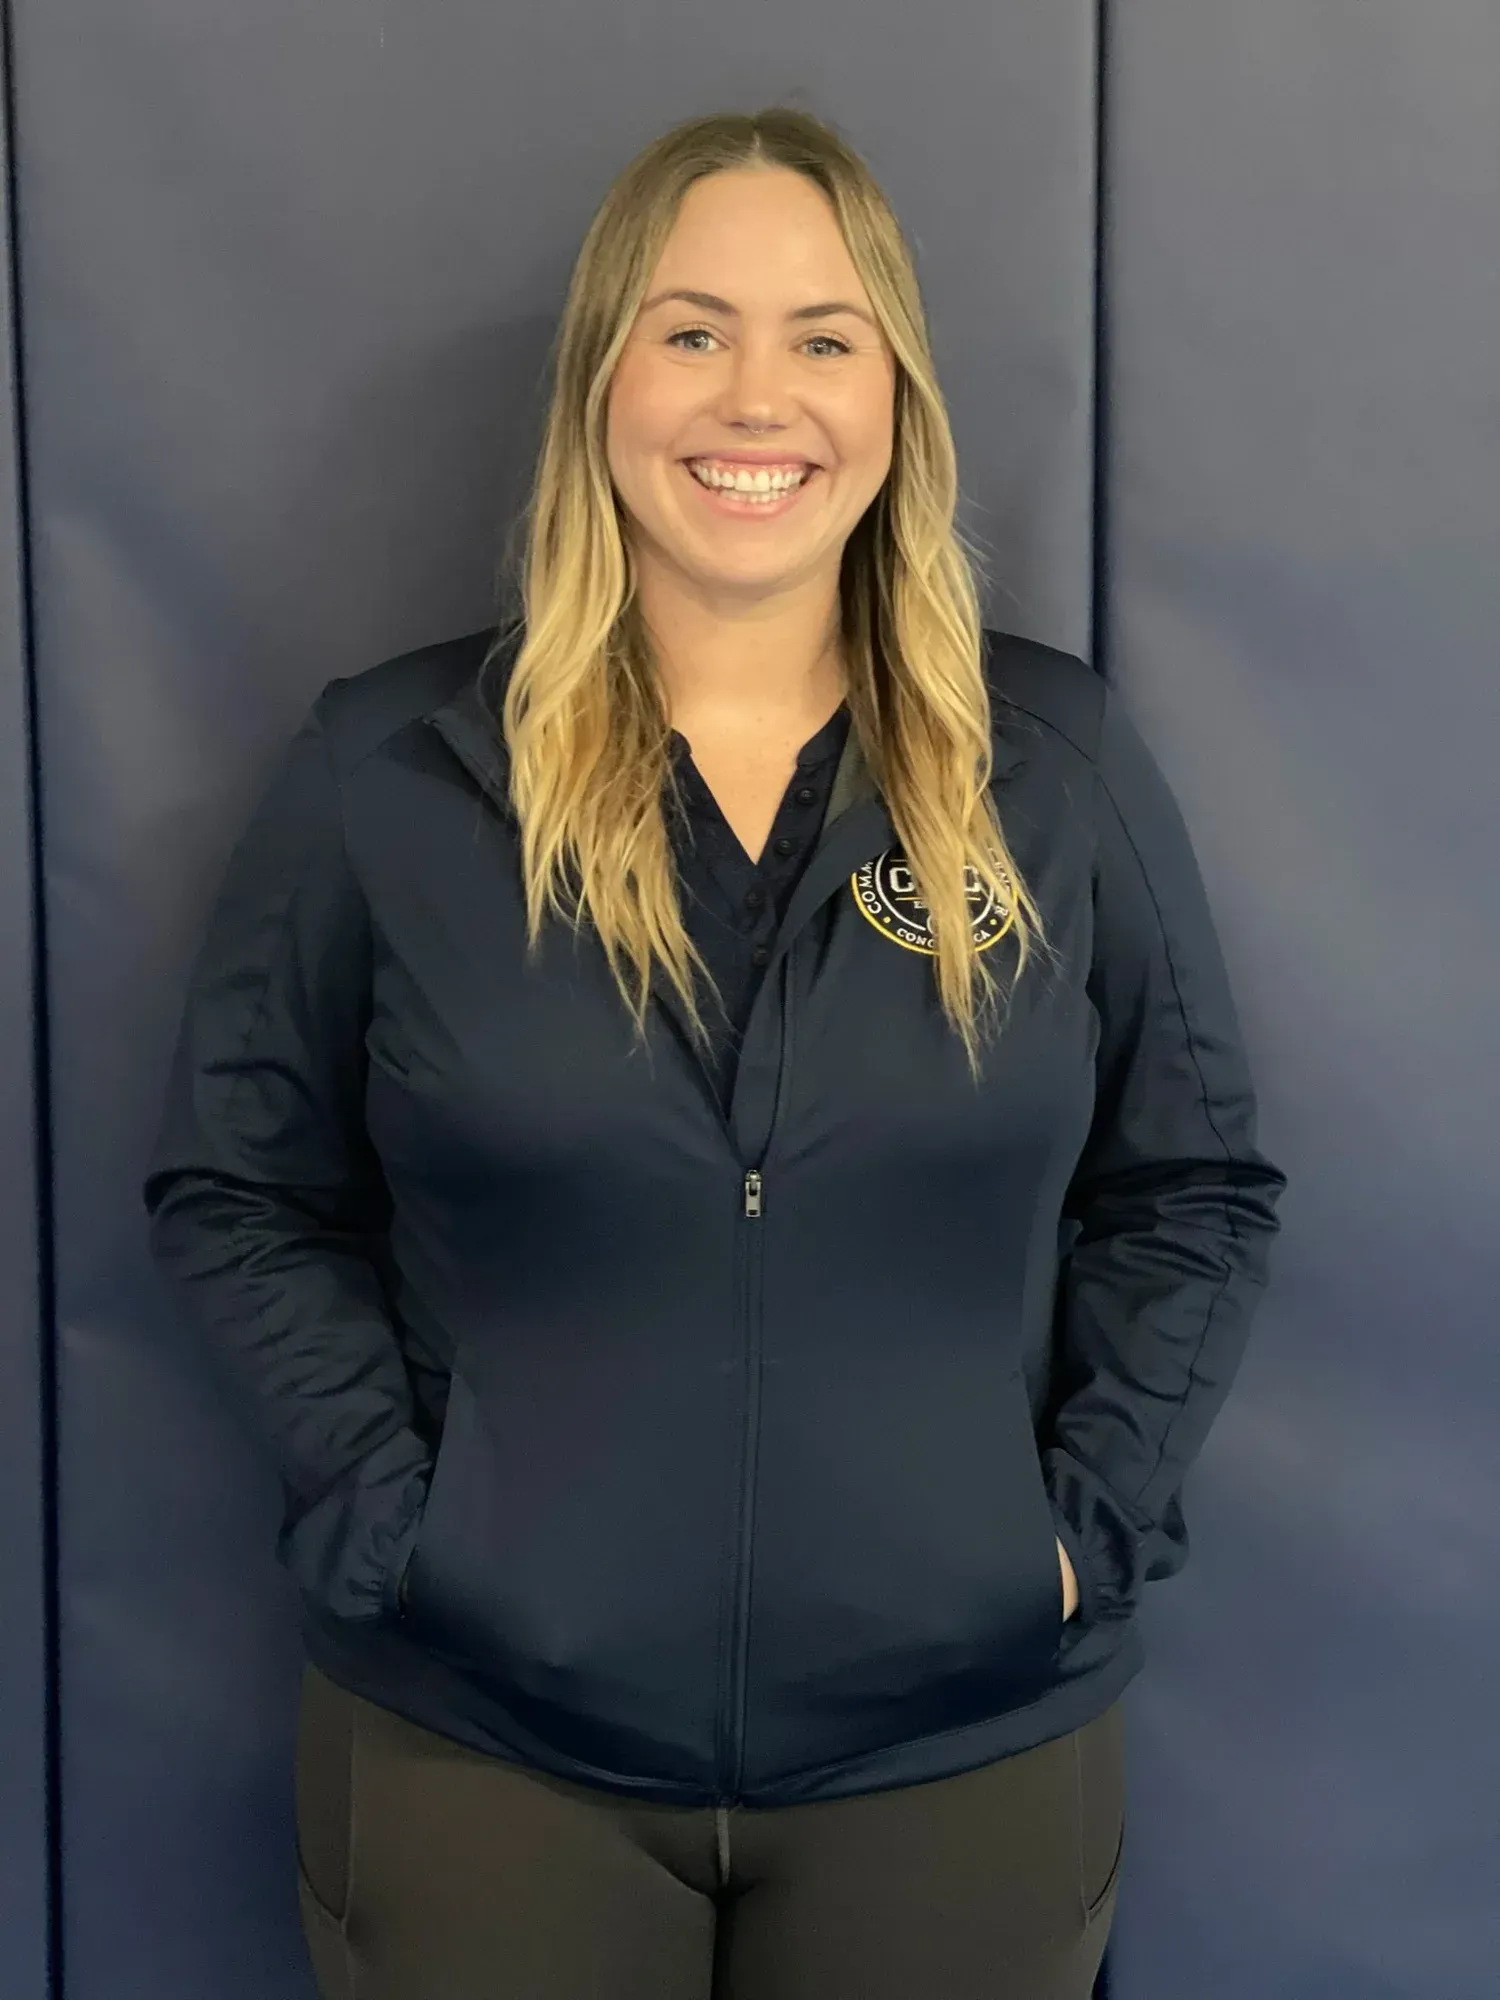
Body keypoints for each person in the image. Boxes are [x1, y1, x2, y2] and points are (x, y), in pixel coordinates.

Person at [141, 104, 1287, 2000]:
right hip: (487, 1761)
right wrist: (406, 1530)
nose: (757, 398)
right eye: (690, 330)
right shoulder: (390, 778)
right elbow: (239, 1187)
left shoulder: (1054, 776)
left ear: (897, 398)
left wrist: (1070, 1537)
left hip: (960, 1754)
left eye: (824, 338)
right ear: (602, 382)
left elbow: (1194, 1189)